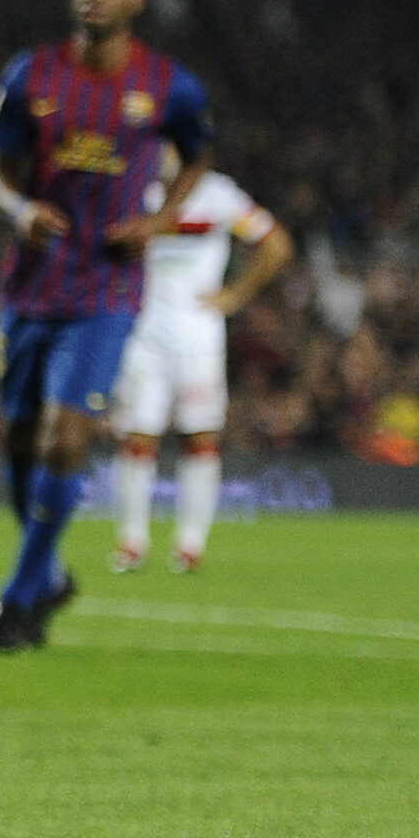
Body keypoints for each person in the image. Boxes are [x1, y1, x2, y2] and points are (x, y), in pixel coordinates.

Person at [0, 0, 211, 651]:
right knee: (21, 439)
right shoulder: (31, 74)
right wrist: (17, 208)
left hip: (108, 286)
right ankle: (46, 572)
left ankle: (19, 597)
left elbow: (197, 153)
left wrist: (161, 217)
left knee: (66, 435)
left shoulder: (168, 86)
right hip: (32, 282)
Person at [108, 150, 291, 574]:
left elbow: (277, 245)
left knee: (201, 437)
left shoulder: (217, 194)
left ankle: (190, 545)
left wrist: (236, 295)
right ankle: (132, 542)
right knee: (138, 437)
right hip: (143, 334)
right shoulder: (135, 190)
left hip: (198, 337)